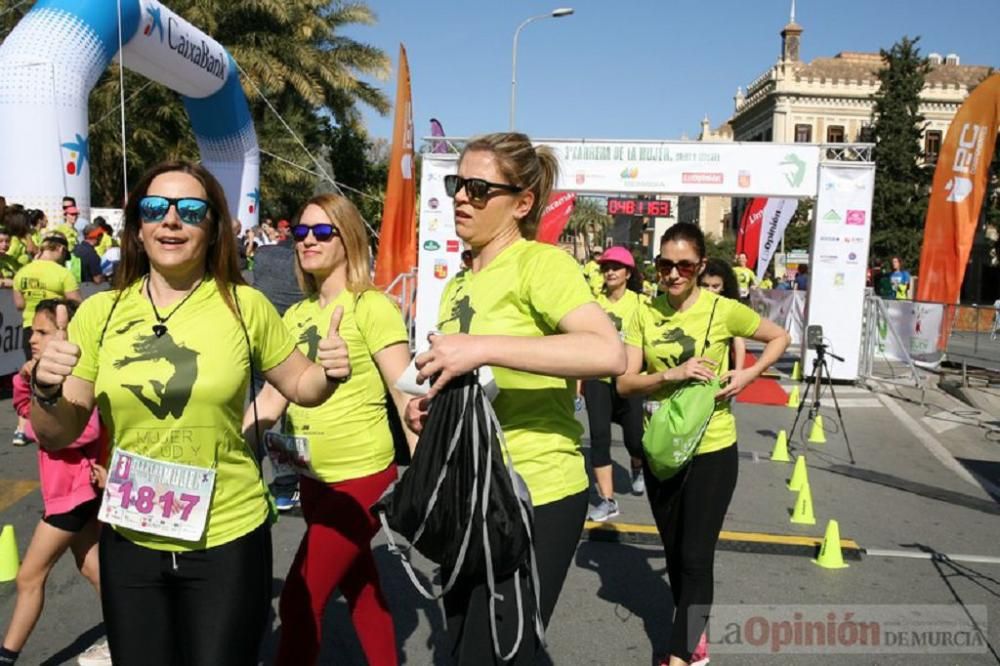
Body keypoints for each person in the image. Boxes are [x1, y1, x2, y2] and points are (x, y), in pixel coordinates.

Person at [29, 160, 352, 666]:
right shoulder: (99, 312)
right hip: (131, 536)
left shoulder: (245, 306)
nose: (172, 221)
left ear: (213, 226)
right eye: (156, 208)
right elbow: (57, 433)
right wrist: (45, 389)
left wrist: (328, 371)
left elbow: (301, 385)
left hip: (226, 534)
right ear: (138, 226)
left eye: (191, 210)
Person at [404, 132, 626, 663]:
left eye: (479, 189)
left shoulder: (539, 265)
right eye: (458, 184)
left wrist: (481, 348)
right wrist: (434, 404)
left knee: (497, 649)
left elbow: (607, 353)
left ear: (522, 203)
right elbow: (475, 379)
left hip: (535, 493)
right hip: (468, 492)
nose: (461, 196)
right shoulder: (459, 282)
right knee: (467, 644)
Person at [248, 193, 415, 666]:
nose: (308, 241)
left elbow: (405, 396)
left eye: (322, 232)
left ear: (349, 239)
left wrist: (427, 478)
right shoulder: (296, 315)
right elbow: (271, 398)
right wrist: (219, 446)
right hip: (314, 478)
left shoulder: (371, 307)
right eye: (300, 233)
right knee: (361, 588)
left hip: (361, 477)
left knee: (299, 598)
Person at [617, 222, 789, 666]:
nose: (673, 274)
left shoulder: (721, 309)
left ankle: (681, 652)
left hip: (712, 445)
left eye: (684, 265)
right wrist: (669, 375)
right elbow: (625, 383)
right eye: (665, 265)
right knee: (675, 552)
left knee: (695, 555)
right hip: (661, 448)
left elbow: (779, 337)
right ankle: (692, 629)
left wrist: (749, 374)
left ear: (701, 266)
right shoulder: (643, 311)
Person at [0, 299, 110, 666]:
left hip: (73, 494)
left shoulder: (80, 375)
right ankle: (137, 627)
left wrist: (39, 429)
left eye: (43, 332)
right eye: (32, 330)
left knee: (30, 576)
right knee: (91, 565)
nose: (33, 338)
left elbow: (86, 429)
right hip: (68, 492)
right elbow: (22, 407)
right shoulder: (45, 375)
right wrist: (26, 379)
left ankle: (6, 656)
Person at [583, 245, 647, 522]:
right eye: (606, 267)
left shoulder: (641, 304)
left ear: (628, 272)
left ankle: (638, 466)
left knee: (635, 439)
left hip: (629, 379)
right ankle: (608, 500)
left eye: (615, 267)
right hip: (597, 377)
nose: (609, 271)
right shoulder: (593, 303)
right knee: (599, 437)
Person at [248, 226, 302, 511]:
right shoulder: (304, 261)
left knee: (259, 412)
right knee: (289, 421)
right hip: (294, 345)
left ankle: (250, 477)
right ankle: (287, 487)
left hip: (260, 342)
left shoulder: (265, 254)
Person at [12, 235, 81, 446]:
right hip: (54, 329)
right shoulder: (63, 273)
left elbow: (19, 304)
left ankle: (22, 427)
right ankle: (64, 421)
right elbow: (77, 304)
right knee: (60, 376)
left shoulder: (23, 272)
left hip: (29, 327)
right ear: (60, 249)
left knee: (32, 373)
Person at [699, 258, 748, 372]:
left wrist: (738, 371)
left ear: (724, 287)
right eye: (705, 285)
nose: (710, 290)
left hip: (717, 372)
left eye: (715, 286)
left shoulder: (729, 309)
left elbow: (738, 340)